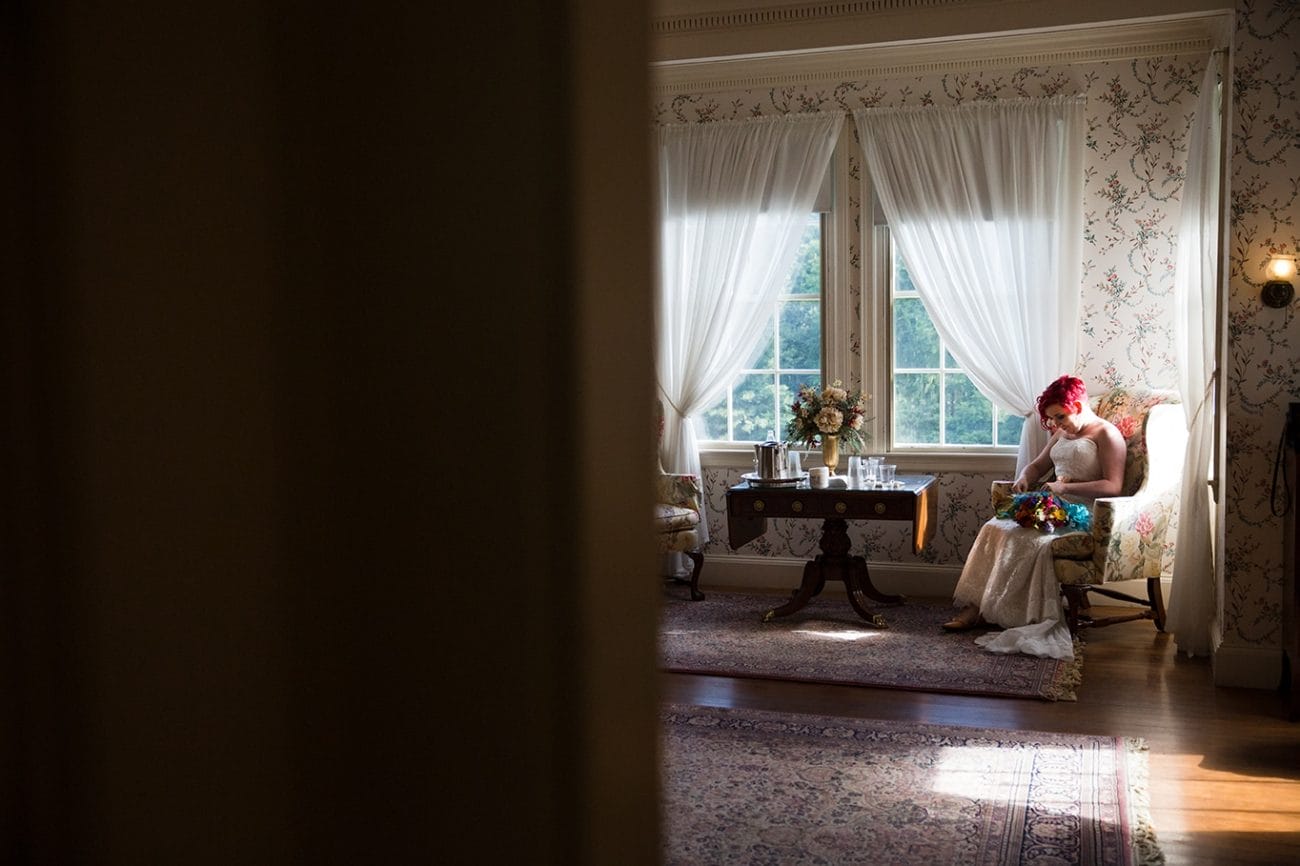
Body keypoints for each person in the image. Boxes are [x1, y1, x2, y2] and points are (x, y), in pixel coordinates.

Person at [943, 375, 1126, 660]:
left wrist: (1065, 487)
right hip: (1052, 503)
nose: (1057, 424)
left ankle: (1020, 614)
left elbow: (1113, 485)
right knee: (995, 527)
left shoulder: (1106, 434)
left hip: (1082, 511)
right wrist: (1025, 477)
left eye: (1060, 417)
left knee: (1029, 540)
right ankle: (978, 607)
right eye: (1052, 419)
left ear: (1077, 405)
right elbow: (1039, 464)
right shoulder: (1062, 434)